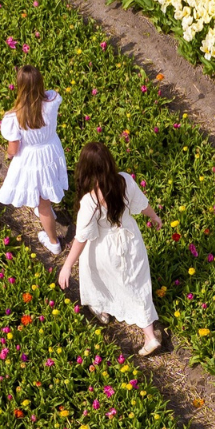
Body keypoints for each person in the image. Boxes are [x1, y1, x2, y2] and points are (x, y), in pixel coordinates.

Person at [58, 142, 164, 356]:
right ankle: (150, 336)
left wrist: (67, 265)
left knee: (96, 274)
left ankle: (102, 309)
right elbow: (141, 205)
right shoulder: (125, 180)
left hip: (105, 248)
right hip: (131, 241)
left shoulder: (90, 201)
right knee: (138, 285)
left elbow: (81, 238)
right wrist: (153, 216)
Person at [0, 66, 68, 253]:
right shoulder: (52, 100)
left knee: (42, 202)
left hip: (33, 158)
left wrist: (9, 155)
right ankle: (46, 206)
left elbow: (14, 147)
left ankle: (53, 242)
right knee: (46, 185)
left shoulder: (15, 116)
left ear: (20, 87)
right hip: (51, 150)